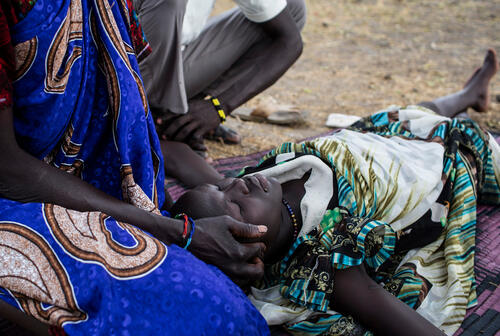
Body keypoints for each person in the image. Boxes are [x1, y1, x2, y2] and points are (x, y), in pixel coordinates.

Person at [167, 49, 500, 336]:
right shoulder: (324, 257)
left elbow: (175, 153)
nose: (236, 184)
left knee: (408, 116)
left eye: (221, 185)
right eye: (235, 208)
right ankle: (463, 104)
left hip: (378, 138)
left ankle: (467, 96)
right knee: (459, 138)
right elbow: (394, 317)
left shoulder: (254, 187)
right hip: (439, 167)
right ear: (251, 256)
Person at [0, 1, 270, 334]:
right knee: (208, 310)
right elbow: (7, 170)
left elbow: (122, 113)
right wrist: (177, 233)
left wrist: (165, 220)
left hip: (78, 189)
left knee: (225, 307)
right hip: (16, 193)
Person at [132, 0, 306, 157]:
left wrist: (217, 106)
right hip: (120, 73)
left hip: (172, 60)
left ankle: (181, 118)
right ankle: (153, 118)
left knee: (290, 9)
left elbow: (290, 41)